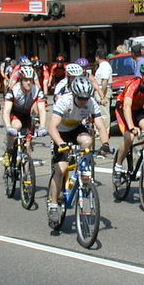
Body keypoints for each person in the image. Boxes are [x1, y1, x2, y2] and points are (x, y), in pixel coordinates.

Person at [46, 77, 111, 226]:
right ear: (74, 95)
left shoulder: (91, 103)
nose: (84, 102)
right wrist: (61, 144)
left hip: (75, 129)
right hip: (60, 133)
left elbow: (100, 126)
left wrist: (105, 144)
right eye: (81, 98)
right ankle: (54, 205)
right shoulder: (64, 101)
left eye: (86, 98)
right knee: (60, 170)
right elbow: (52, 127)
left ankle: (83, 172)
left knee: (87, 141)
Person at [2, 66, 48, 167]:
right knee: (17, 126)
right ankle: (8, 151)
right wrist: (8, 127)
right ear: (20, 80)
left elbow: (42, 110)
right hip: (14, 113)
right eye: (26, 80)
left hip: (27, 115)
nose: (29, 83)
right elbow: (6, 111)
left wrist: (42, 127)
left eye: (31, 80)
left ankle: (26, 177)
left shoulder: (36, 90)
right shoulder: (13, 90)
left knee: (28, 148)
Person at [94, 51, 113, 128]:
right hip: (100, 90)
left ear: (97, 57)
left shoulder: (105, 66)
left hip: (103, 90)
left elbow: (105, 80)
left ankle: (105, 131)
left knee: (104, 113)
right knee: (100, 112)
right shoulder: (102, 66)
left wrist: (102, 95)